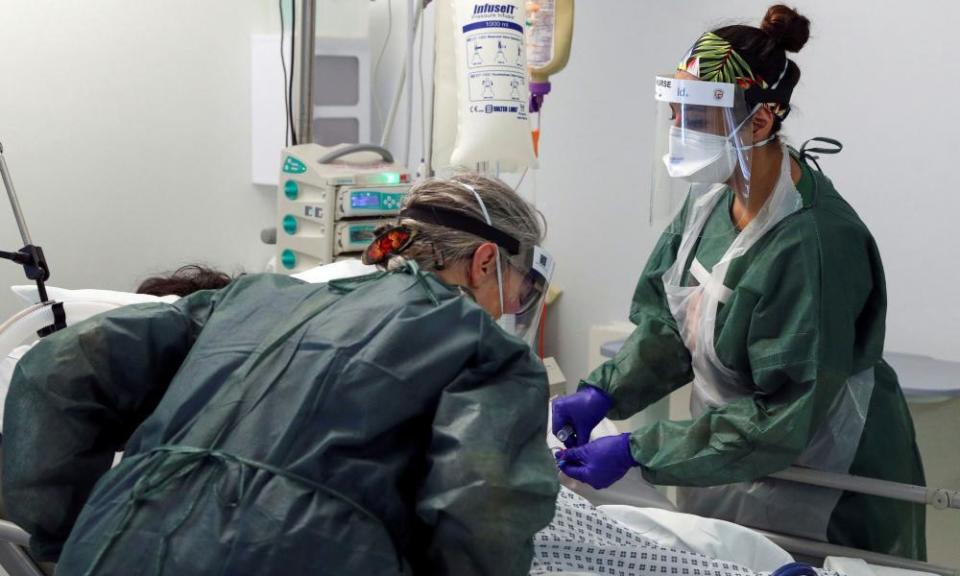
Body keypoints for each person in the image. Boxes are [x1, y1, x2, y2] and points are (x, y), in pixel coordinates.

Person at [2, 174, 560, 575]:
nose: (509, 310)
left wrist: (63, 533)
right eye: (519, 290)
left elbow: (58, 370)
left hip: (110, 543)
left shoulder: (249, 299)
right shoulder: (484, 349)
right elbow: (483, 508)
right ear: (486, 262)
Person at [551, 5, 926, 560]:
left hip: (824, 472)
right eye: (675, 111)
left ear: (760, 121)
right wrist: (605, 390)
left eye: (696, 116)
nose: (679, 131)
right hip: (731, 451)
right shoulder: (709, 205)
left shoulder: (814, 243)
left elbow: (785, 414)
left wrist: (639, 449)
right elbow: (669, 324)